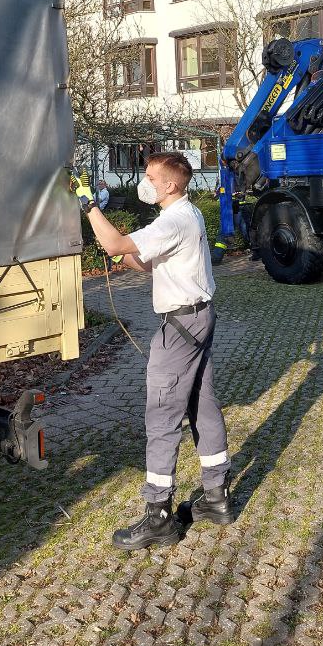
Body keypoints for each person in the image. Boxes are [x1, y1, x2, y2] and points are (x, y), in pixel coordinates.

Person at [78, 152, 232, 550]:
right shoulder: (189, 214)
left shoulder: (173, 220)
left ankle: (158, 516)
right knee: (202, 403)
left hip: (180, 327)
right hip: (199, 317)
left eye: (149, 177)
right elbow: (146, 262)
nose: (144, 183)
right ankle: (216, 498)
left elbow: (113, 241)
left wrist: (88, 205)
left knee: (162, 416)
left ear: (170, 185)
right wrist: (122, 254)